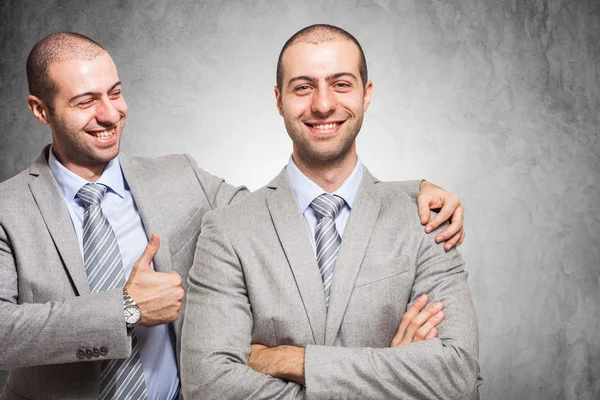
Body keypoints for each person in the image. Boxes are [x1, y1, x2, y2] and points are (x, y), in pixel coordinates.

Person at [0, 32, 464, 399]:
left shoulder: (179, 177)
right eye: (85, 102)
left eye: (115, 93)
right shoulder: (8, 209)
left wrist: (405, 193)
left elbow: (280, 207)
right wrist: (124, 310)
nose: (109, 114)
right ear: (40, 110)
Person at [181, 24, 481, 399]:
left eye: (341, 84)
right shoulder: (227, 232)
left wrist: (291, 360)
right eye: (303, 87)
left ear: (366, 94)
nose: (323, 104)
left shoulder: (428, 221)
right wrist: (392, 375)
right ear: (278, 100)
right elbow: (208, 387)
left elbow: (457, 376)